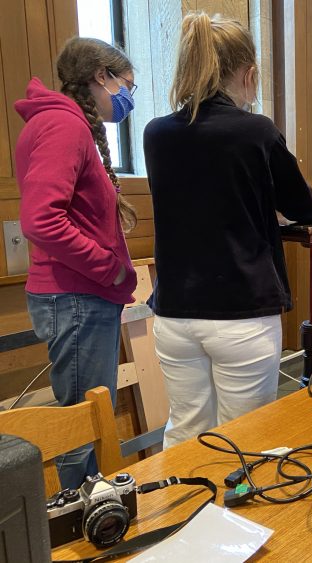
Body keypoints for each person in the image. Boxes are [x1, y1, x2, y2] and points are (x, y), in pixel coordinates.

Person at [143, 12, 312, 448]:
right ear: (249, 74)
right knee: (245, 440)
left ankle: (186, 513)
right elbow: (302, 208)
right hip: (240, 312)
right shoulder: (257, 131)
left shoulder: (155, 134)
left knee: (186, 432)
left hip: (175, 313)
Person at [14, 37, 138, 489]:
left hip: (78, 294)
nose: (128, 98)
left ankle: (91, 508)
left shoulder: (63, 126)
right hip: (78, 295)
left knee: (85, 419)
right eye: (127, 85)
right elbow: (41, 219)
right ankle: (87, 518)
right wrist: (108, 268)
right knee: (82, 427)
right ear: (100, 77)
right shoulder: (63, 127)